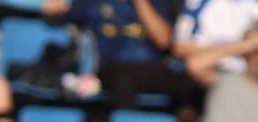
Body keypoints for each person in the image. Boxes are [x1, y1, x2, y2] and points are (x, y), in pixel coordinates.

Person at [45, 0, 202, 112]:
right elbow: (59, 15)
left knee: (190, 81)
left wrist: (141, 3)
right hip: (111, 67)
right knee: (124, 80)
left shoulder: (156, 3)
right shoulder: (92, 3)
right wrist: (54, 11)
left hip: (150, 68)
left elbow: (164, 41)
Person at [172, 0, 258, 87]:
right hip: (210, 72)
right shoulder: (196, 3)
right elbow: (180, 48)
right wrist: (242, 47)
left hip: (246, 72)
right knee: (196, 65)